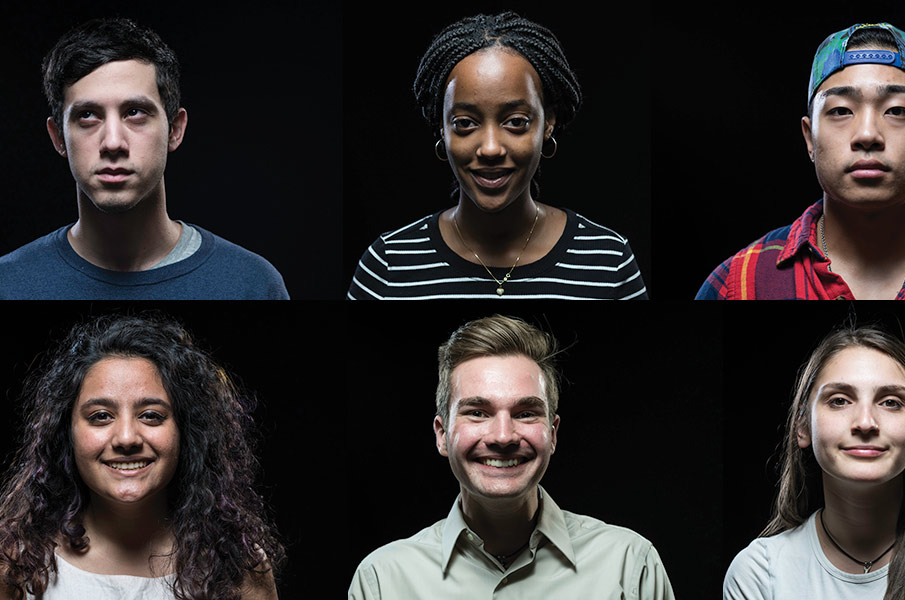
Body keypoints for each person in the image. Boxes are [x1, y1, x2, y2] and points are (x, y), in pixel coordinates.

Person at [349, 315, 672, 598]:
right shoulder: (382, 580)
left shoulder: (630, 566)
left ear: (553, 432)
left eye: (526, 412)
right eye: (477, 412)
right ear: (442, 434)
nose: (503, 436)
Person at [347, 12, 648, 300]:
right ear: (442, 127)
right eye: (465, 123)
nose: (490, 148)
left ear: (548, 123)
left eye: (515, 121)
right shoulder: (388, 265)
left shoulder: (609, 262)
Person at [697, 23, 905, 300]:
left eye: (896, 110)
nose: (867, 134)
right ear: (809, 138)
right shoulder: (737, 284)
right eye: (841, 110)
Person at [0, 17, 289, 299]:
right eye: (87, 115)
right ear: (58, 137)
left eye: (134, 112)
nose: (113, 142)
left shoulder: (251, 284)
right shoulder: (8, 283)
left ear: (175, 129)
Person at [0, 313, 284, 599]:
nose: (126, 438)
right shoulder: (15, 562)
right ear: (66, 432)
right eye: (100, 416)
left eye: (150, 416)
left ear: (185, 431)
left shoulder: (236, 567)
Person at [724, 325, 905, 599]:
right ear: (803, 426)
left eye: (890, 402)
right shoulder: (759, 574)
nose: (865, 423)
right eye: (840, 400)